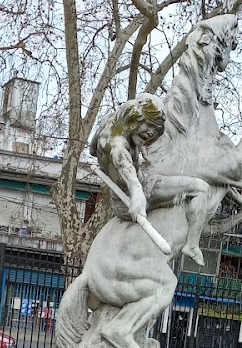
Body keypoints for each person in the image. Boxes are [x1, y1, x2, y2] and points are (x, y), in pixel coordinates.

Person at [90, 94, 211, 267]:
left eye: (155, 130)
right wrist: (136, 191)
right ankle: (192, 245)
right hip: (135, 198)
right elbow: (125, 165)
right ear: (136, 118)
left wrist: (135, 148)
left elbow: (93, 149)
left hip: (125, 194)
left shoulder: (108, 122)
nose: (151, 133)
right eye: (149, 126)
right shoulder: (119, 146)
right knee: (201, 188)